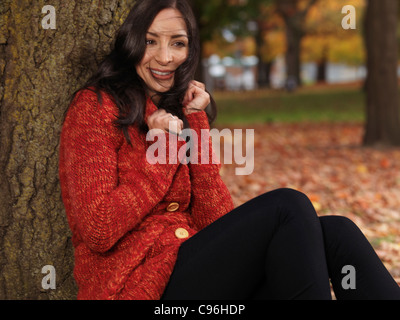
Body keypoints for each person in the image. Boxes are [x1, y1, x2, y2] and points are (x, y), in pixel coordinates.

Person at [58, 0, 400, 300]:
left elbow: (215, 223)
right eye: (150, 42)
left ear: (189, 50)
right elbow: (99, 229)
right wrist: (159, 154)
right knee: (287, 206)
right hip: (140, 287)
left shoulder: (178, 111)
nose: (165, 57)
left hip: (203, 283)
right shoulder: (96, 107)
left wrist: (196, 121)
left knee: (337, 232)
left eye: (177, 43)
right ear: (131, 42)